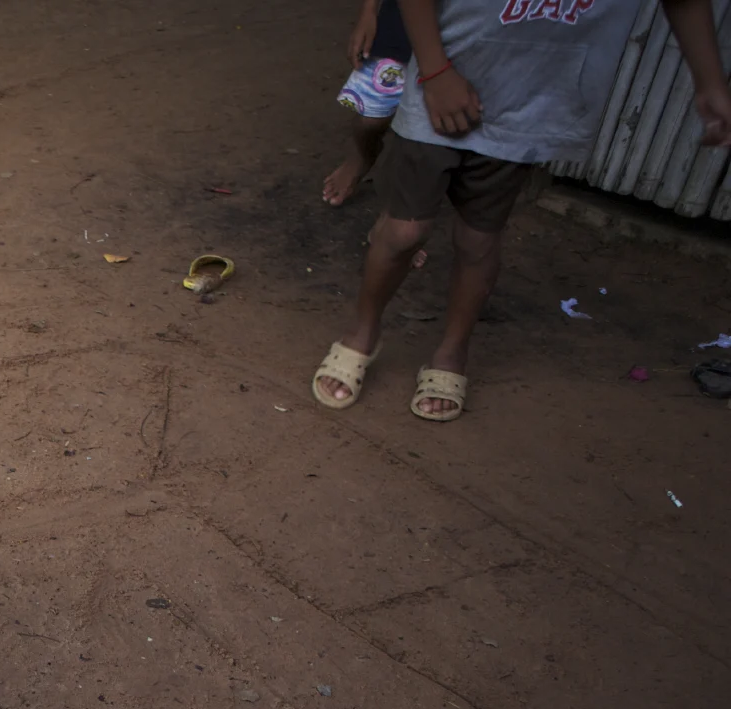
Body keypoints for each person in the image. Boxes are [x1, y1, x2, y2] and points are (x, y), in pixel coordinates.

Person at [312, 0, 731, 422]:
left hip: (536, 97)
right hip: (444, 70)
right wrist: (436, 71)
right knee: (404, 230)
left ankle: (452, 350)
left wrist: (710, 81)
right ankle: (362, 332)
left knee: (478, 236)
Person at [323, 0, 415, 206]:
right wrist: (369, 11)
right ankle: (362, 156)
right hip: (400, 28)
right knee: (370, 119)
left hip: (469, 31)